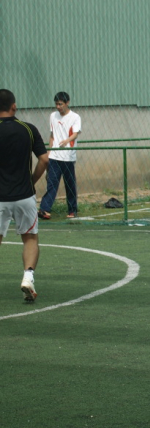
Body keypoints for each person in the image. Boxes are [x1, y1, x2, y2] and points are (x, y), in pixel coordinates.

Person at [0, 89, 49, 303]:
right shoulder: (28, 129)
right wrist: (31, 181)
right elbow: (45, 160)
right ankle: (28, 277)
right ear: (14, 106)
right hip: (24, 195)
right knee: (30, 239)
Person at [39, 92, 82, 219]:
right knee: (51, 183)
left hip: (68, 157)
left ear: (67, 103)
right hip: (54, 156)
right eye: (56, 104)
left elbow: (75, 134)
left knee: (70, 184)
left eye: (60, 104)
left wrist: (67, 140)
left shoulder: (75, 117)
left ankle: (72, 210)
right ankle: (44, 210)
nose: (58, 106)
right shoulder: (53, 116)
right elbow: (52, 135)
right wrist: (49, 151)